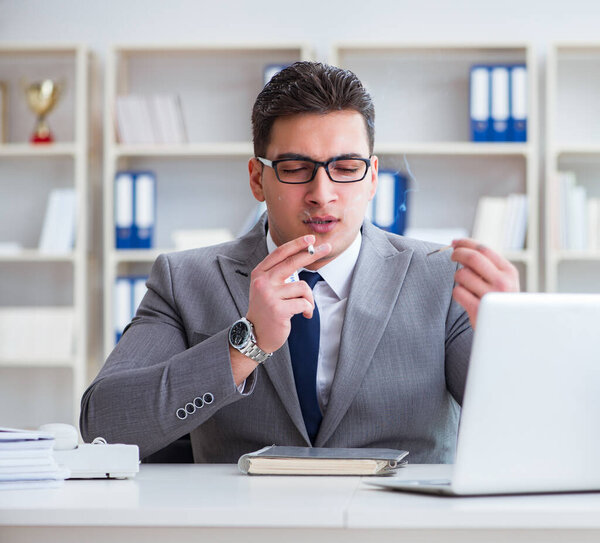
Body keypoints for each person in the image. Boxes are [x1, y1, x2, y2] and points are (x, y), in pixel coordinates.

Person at [80, 62, 519, 463]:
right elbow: (104, 426)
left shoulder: (444, 279)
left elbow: (522, 432)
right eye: (294, 167)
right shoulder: (186, 280)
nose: (322, 193)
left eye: (346, 167)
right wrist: (245, 344)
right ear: (257, 178)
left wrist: (512, 339)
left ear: (372, 179)